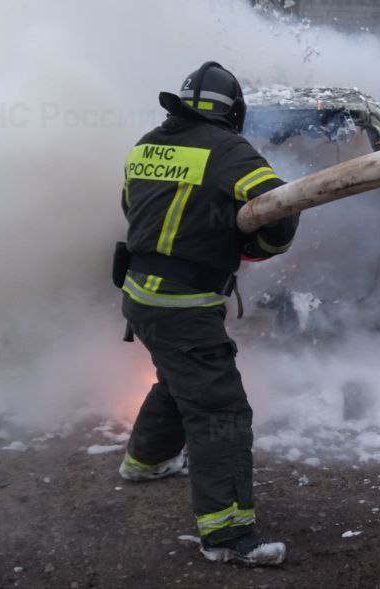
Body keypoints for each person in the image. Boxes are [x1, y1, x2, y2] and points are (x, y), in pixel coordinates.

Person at [115, 61, 298, 567]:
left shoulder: (147, 144)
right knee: (220, 409)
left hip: (140, 294)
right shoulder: (227, 148)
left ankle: (146, 461)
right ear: (233, 111)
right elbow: (278, 208)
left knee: (179, 377)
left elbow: (133, 207)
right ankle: (227, 533)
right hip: (183, 304)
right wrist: (255, 246)